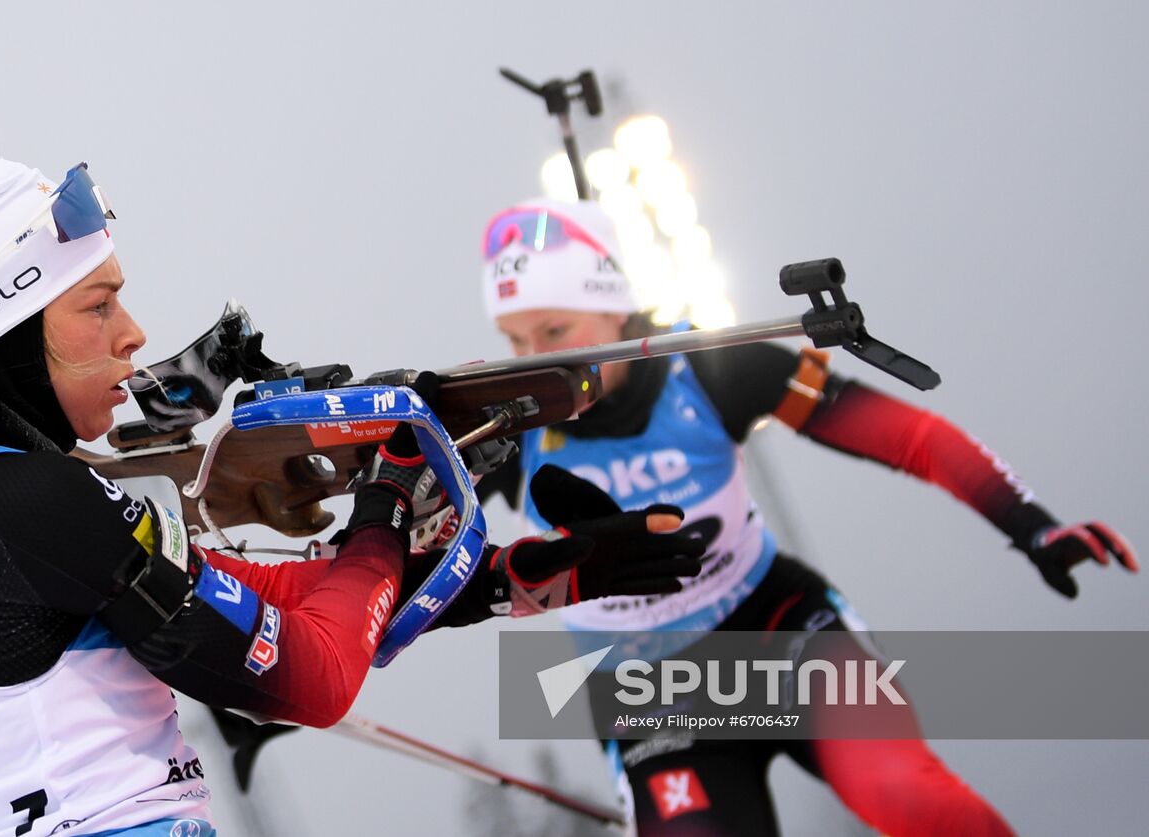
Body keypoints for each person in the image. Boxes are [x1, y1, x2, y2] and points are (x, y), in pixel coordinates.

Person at [0, 153, 704, 837]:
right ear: (3, 325)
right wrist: (387, 503)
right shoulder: (30, 500)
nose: (134, 332)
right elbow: (313, 676)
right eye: (98, 303)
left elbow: (281, 604)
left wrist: (516, 578)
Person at [473, 198, 1138, 836]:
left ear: (613, 310)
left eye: (555, 330)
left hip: (776, 627)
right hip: (646, 688)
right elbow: (404, 513)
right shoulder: (505, 420)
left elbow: (911, 439)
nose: (534, 359)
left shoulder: (707, 367)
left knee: (907, 795)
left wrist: (1030, 523)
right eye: (514, 338)